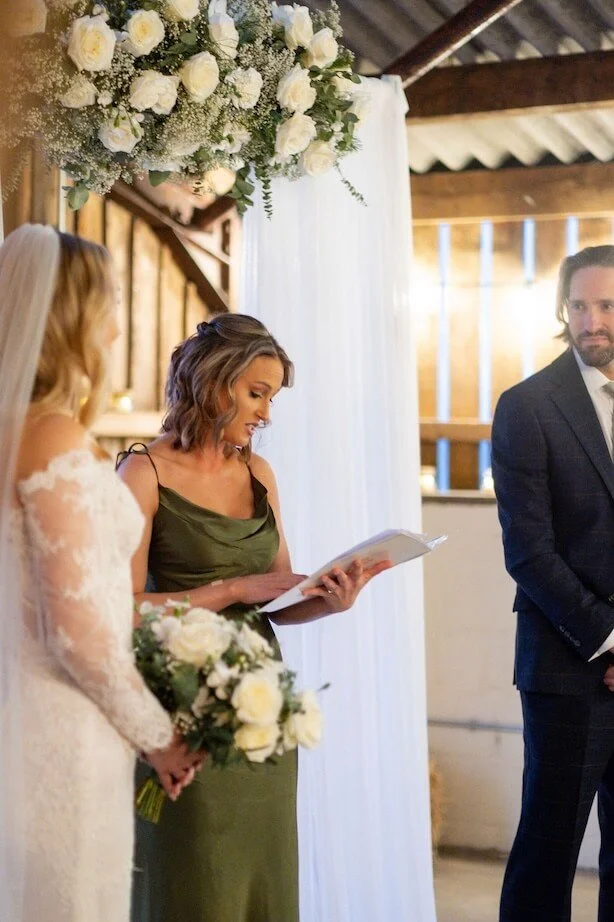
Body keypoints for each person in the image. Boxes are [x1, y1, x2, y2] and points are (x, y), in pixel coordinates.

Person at [117, 313, 391, 922]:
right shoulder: (143, 474)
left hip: (264, 710)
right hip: (183, 707)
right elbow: (121, 610)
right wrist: (233, 586)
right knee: (194, 881)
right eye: (256, 393)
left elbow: (275, 600)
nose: (265, 414)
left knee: (261, 878)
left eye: (271, 398)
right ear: (213, 382)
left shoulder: (258, 475)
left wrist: (332, 597)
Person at [0, 224, 202, 922]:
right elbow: (78, 635)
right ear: (72, 319)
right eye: (109, 305)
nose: (117, 328)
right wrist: (159, 736)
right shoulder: (51, 435)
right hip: (59, 728)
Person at [492, 245, 614, 922]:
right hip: (568, 669)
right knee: (548, 856)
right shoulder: (527, 407)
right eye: (577, 306)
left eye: (605, 306)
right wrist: (610, 639)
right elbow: (529, 553)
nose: (590, 322)